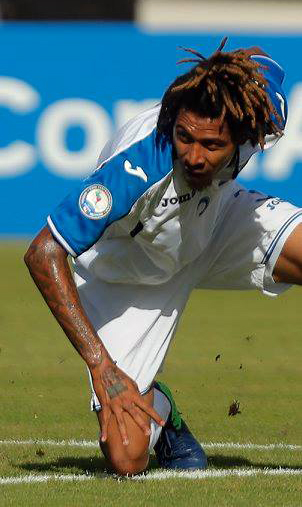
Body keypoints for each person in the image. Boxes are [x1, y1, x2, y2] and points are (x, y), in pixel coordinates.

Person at [24, 43, 302, 476]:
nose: (194, 156)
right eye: (184, 138)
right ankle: (165, 413)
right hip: (127, 274)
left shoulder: (255, 111)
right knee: (127, 456)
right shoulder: (137, 166)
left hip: (216, 225)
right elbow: (43, 252)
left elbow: (261, 63)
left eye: (211, 145)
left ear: (243, 132)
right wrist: (101, 365)